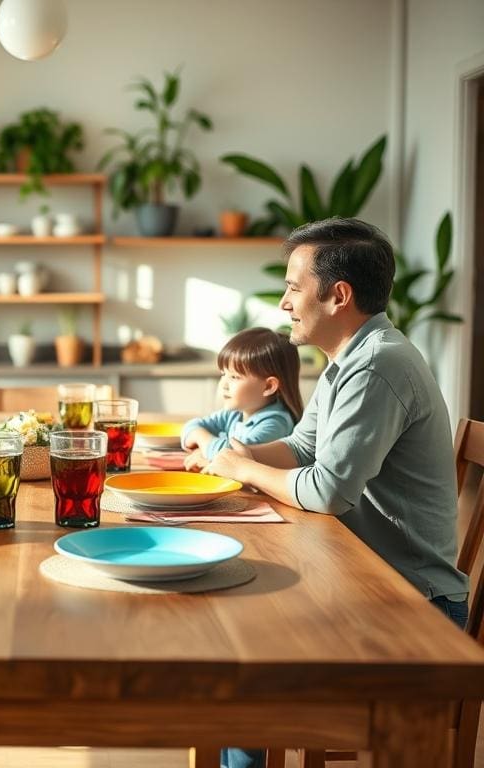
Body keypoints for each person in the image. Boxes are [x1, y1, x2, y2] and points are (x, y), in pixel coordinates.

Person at [204, 218, 468, 768]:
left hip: (412, 610)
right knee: (232, 636)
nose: (283, 304)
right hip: (367, 583)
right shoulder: (349, 359)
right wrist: (238, 457)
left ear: (338, 295)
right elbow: (302, 450)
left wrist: (244, 469)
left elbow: (327, 492)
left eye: (293, 287)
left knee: (237, 664)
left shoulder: (376, 365)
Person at [181, 327, 302, 472]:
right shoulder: (236, 413)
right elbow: (191, 427)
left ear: (268, 386)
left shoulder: (275, 424)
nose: (223, 384)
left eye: (234, 377)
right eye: (223, 374)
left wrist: (202, 441)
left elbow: (233, 457)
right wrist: (207, 449)